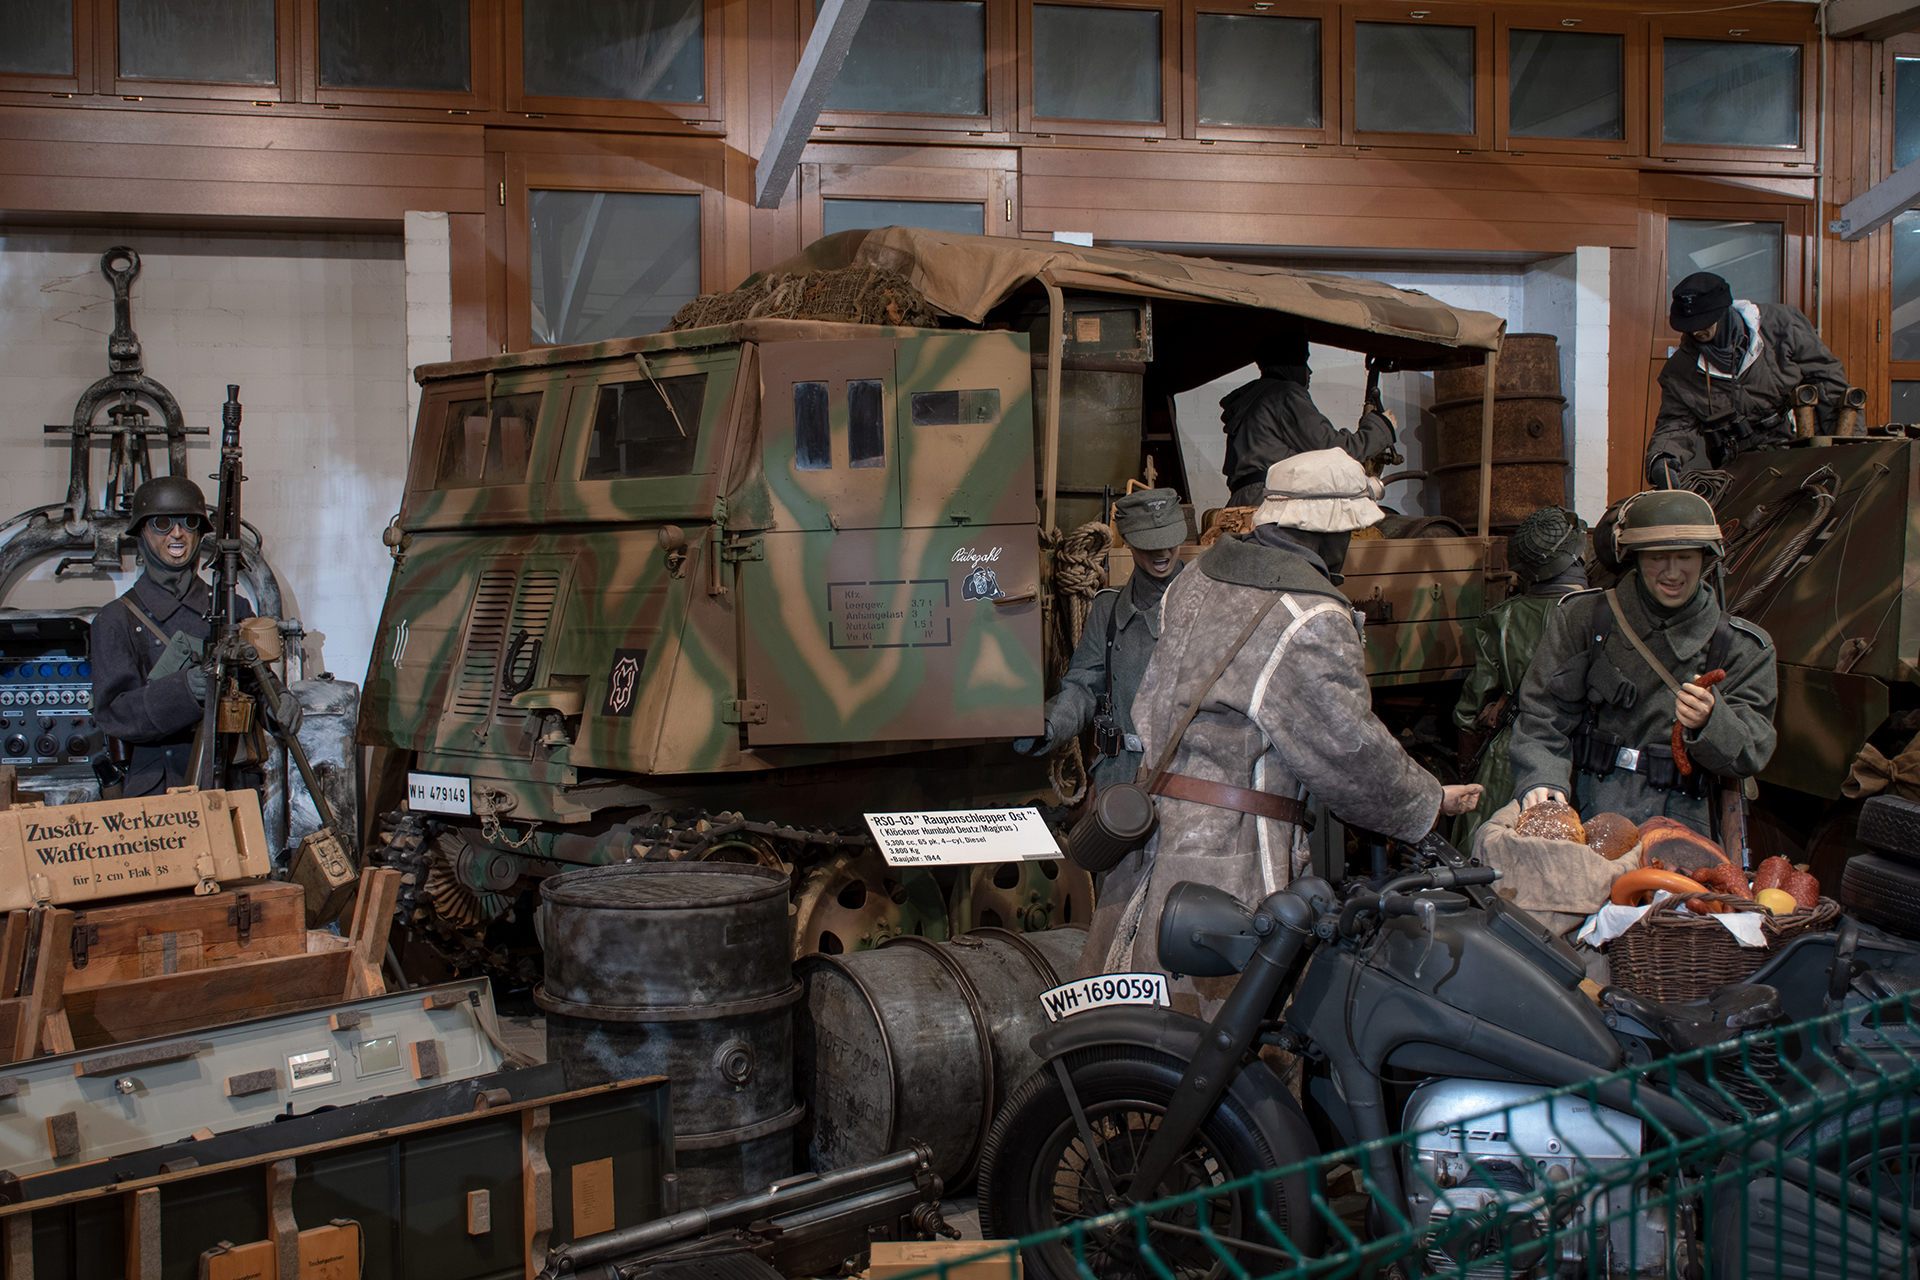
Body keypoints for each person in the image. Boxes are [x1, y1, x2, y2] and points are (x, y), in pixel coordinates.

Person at [1078, 450, 1482, 1009]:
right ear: (1329, 533)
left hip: (1153, 832)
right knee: (1229, 1034)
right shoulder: (1307, 617)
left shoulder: (1196, 579)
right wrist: (1427, 801)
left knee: (1137, 1024)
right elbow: (1349, 751)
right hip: (1232, 854)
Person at [1508, 489, 1776, 835]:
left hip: (1684, 822)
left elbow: (1752, 752)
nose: (1672, 572)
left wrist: (1711, 720)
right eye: (1657, 557)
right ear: (1633, 557)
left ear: (1705, 557)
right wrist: (1541, 778)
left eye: (1685, 557)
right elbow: (1542, 716)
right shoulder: (1585, 619)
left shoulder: (1743, 647)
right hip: (1587, 809)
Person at [1016, 488, 1188, 795]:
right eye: (1149, 545)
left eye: (1169, 542)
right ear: (1129, 542)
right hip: (1121, 778)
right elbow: (1084, 684)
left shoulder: (1210, 607)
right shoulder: (1108, 609)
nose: (1162, 554)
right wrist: (1047, 725)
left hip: (1188, 779)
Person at [92, 475, 253, 796]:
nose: (177, 534)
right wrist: (184, 691)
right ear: (141, 533)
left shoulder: (233, 607)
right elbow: (114, 714)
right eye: (162, 524)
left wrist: (277, 703)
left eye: (189, 523)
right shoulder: (115, 619)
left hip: (230, 782)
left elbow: (251, 689)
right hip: (158, 785)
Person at [1450, 505, 1590, 848]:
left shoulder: (1502, 619)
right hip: (1590, 758)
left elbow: (1472, 708)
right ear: (1578, 554)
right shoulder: (1605, 612)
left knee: (1489, 858)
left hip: (1511, 760)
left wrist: (1467, 768)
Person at [1645, 271, 1850, 488]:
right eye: (1689, 325)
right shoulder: (1679, 371)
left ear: (1722, 312)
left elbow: (1829, 384)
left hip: (1801, 452)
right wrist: (1662, 458)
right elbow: (1676, 424)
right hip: (1739, 468)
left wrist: (1848, 453)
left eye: (1703, 322)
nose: (1696, 331)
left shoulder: (1783, 324)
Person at [1220, 335, 1397, 508]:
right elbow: (1333, 449)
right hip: (1273, 502)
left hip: (1241, 503)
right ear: (1291, 362)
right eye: (1304, 362)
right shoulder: (1285, 394)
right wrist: (1381, 427)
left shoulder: (1251, 399)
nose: (1310, 371)